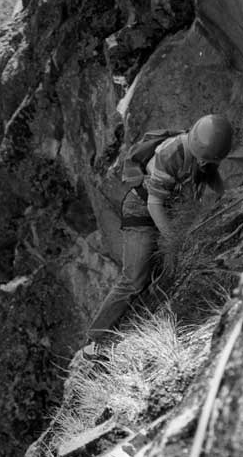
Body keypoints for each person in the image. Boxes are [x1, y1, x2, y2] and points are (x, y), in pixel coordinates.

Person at [82, 113, 233, 361]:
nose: (206, 164)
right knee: (134, 278)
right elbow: (154, 205)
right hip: (142, 207)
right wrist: (176, 241)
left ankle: (133, 323)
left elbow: (213, 181)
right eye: (204, 160)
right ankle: (94, 341)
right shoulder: (171, 153)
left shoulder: (206, 151)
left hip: (166, 207)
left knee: (159, 272)